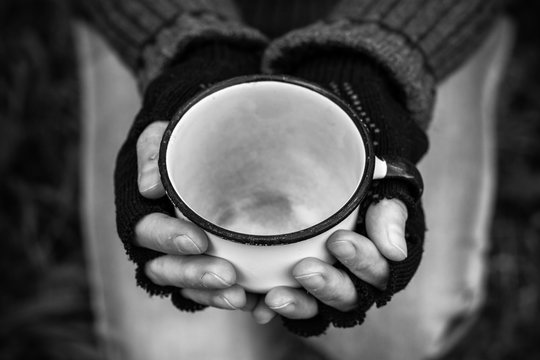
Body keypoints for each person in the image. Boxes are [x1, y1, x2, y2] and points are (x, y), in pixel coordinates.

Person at [77, 0, 504, 357]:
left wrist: (378, 63)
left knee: (406, 330)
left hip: (414, 22)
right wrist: (181, 44)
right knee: (171, 350)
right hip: (171, 19)